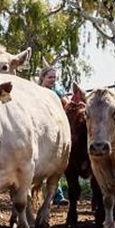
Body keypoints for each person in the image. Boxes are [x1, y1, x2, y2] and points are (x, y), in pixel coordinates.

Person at [39, 66, 68, 206]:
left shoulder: (57, 92)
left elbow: (66, 103)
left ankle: (57, 196)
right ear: (42, 78)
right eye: (50, 77)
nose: (53, 80)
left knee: (56, 164)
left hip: (56, 129)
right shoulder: (36, 92)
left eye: (54, 78)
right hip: (40, 129)